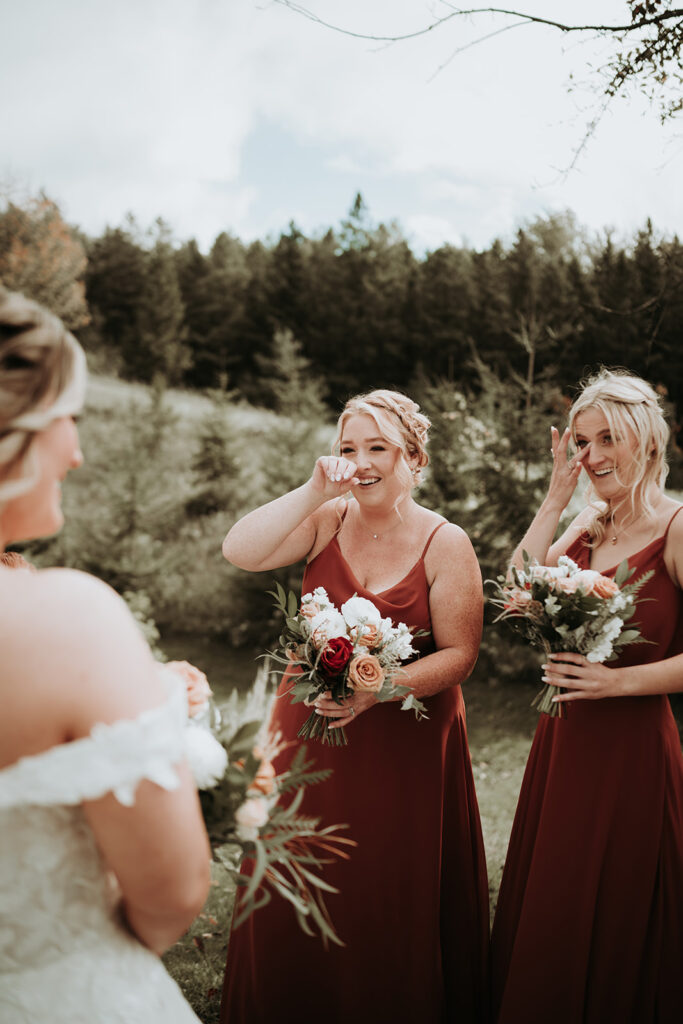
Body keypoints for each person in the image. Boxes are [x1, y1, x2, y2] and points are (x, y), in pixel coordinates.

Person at [220, 388, 489, 1024]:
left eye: (378, 448)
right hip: (308, 731)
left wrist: (381, 689)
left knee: (382, 885)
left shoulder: (447, 543)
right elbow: (241, 550)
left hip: (403, 746)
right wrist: (315, 489)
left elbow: (460, 656)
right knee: (302, 869)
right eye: (348, 448)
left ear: (414, 458)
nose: (361, 462)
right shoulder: (326, 519)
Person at [0, 289, 211, 1023]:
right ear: (15, 431)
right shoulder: (65, 618)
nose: (77, 450)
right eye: (70, 416)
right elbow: (172, 895)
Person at [491, 369, 683, 1023]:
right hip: (563, 743)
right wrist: (554, 501)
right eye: (581, 440)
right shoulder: (589, 521)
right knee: (557, 897)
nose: (593, 455)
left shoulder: (677, 527)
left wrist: (618, 682)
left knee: (618, 908)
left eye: (608, 439)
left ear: (646, 444)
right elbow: (513, 592)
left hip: (631, 751)